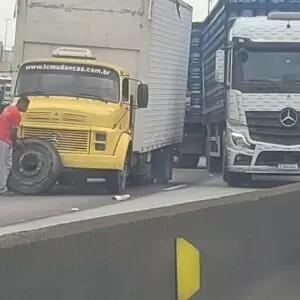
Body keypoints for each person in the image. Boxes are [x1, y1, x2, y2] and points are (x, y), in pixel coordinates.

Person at [0, 96, 30, 195]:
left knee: (6, 164)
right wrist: (15, 143)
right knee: (4, 165)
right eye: (26, 105)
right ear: (20, 103)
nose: (27, 108)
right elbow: (13, 132)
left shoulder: (8, 108)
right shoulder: (16, 114)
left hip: (2, 138)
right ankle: (2, 189)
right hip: (4, 139)